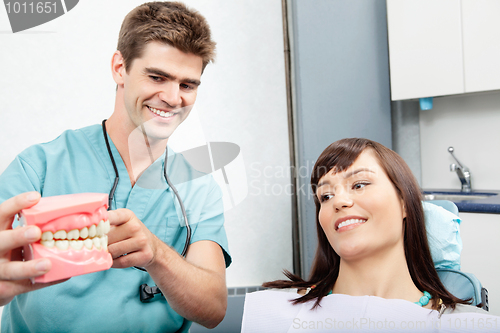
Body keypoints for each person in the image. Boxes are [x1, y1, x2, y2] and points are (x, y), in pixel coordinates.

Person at [0, 2, 230, 332]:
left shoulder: (199, 188)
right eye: (157, 77)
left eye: (187, 85)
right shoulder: (38, 168)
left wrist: (155, 254)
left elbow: (213, 309)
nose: (172, 97)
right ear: (119, 67)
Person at [241, 138, 498, 332]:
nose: (338, 201)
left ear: (405, 203)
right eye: (325, 196)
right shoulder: (273, 315)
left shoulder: (467, 326)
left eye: (359, 185)